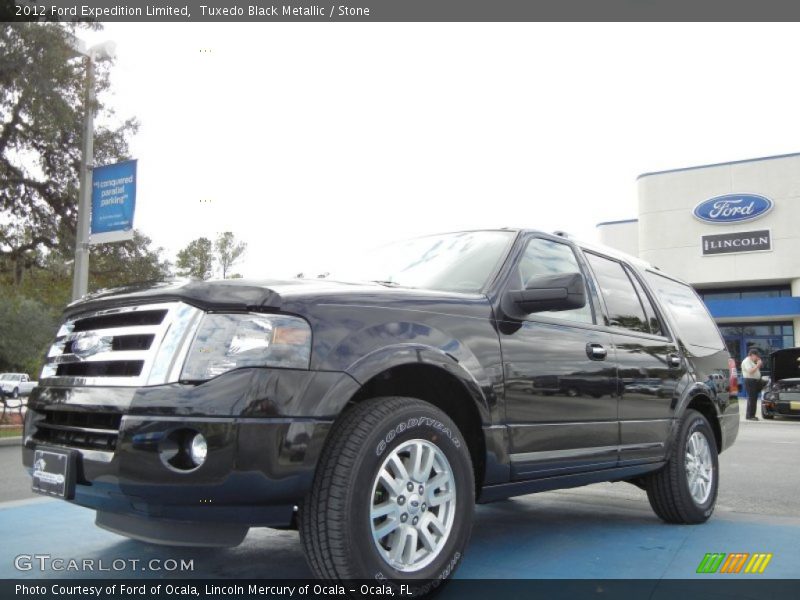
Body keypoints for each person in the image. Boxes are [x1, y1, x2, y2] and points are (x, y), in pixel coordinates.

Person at [741, 349, 763, 421]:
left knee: (753, 398)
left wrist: (758, 364)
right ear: (752, 355)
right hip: (750, 380)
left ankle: (750, 415)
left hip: (754, 381)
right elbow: (750, 371)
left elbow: (755, 370)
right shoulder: (747, 361)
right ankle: (750, 416)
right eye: (756, 356)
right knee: (752, 398)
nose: (757, 358)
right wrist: (757, 365)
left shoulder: (751, 362)